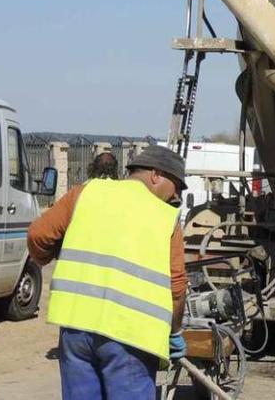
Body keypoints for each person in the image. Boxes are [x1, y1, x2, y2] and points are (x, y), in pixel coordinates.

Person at [27, 145, 189, 400]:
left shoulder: (84, 194)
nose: (176, 195)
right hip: (131, 338)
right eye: (177, 185)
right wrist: (175, 332)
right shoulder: (165, 217)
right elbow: (177, 287)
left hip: (76, 329)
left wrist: (49, 256)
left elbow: (38, 234)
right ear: (156, 175)